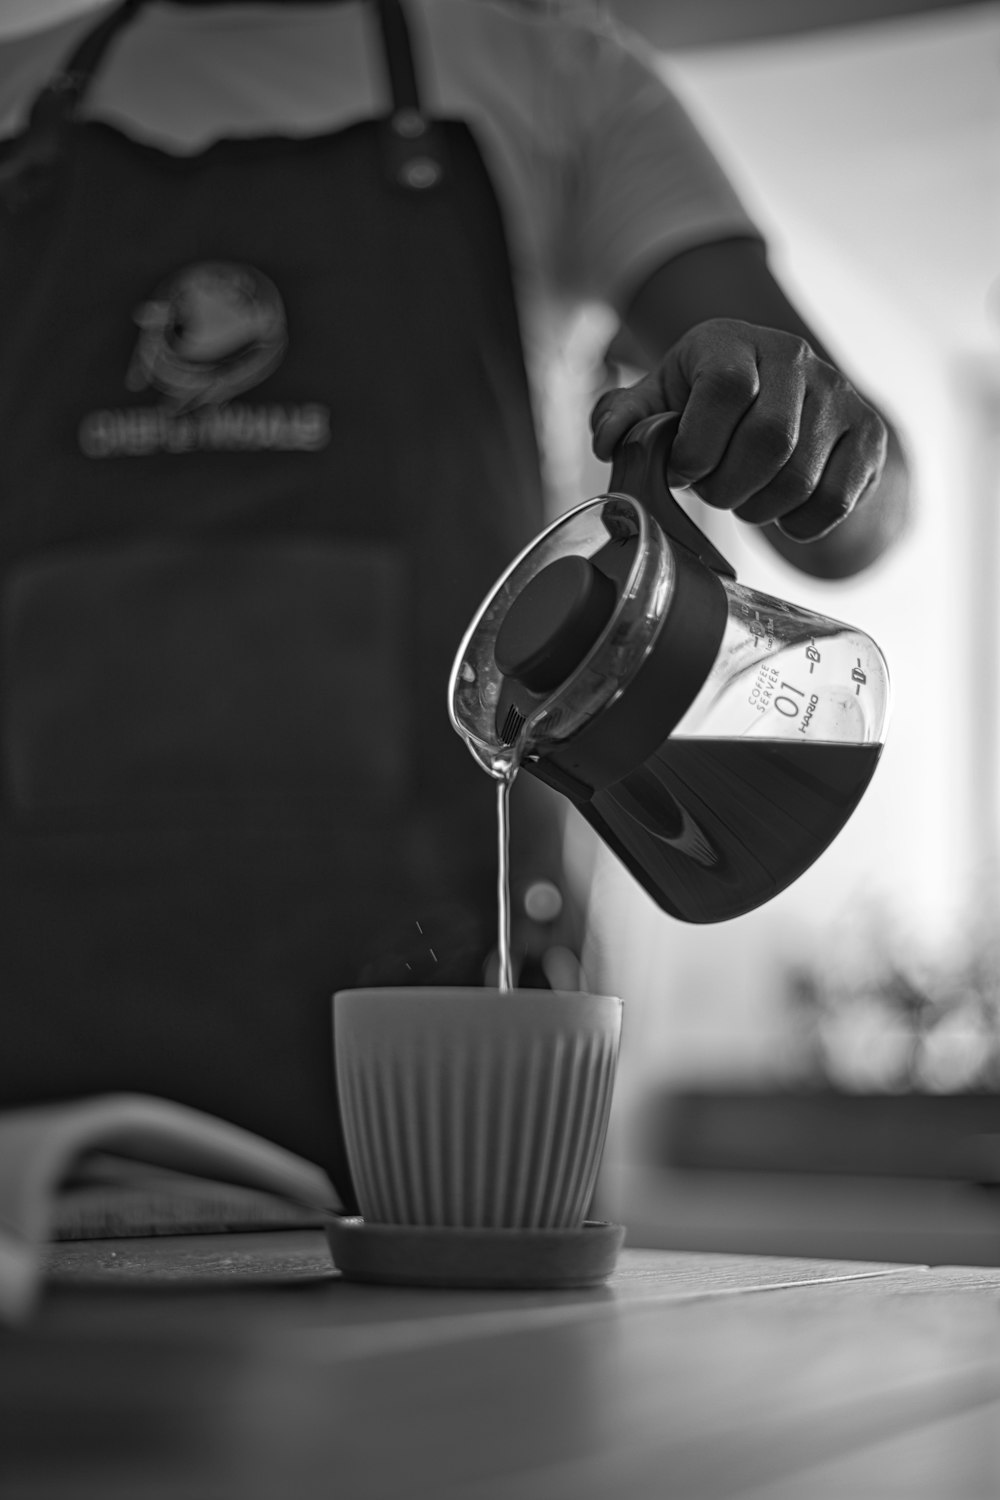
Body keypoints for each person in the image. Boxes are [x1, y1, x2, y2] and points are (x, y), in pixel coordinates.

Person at [0, 0, 909, 1204]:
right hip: (36, 988)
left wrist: (818, 437)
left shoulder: (556, 75)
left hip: (442, 984)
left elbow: (865, 524)